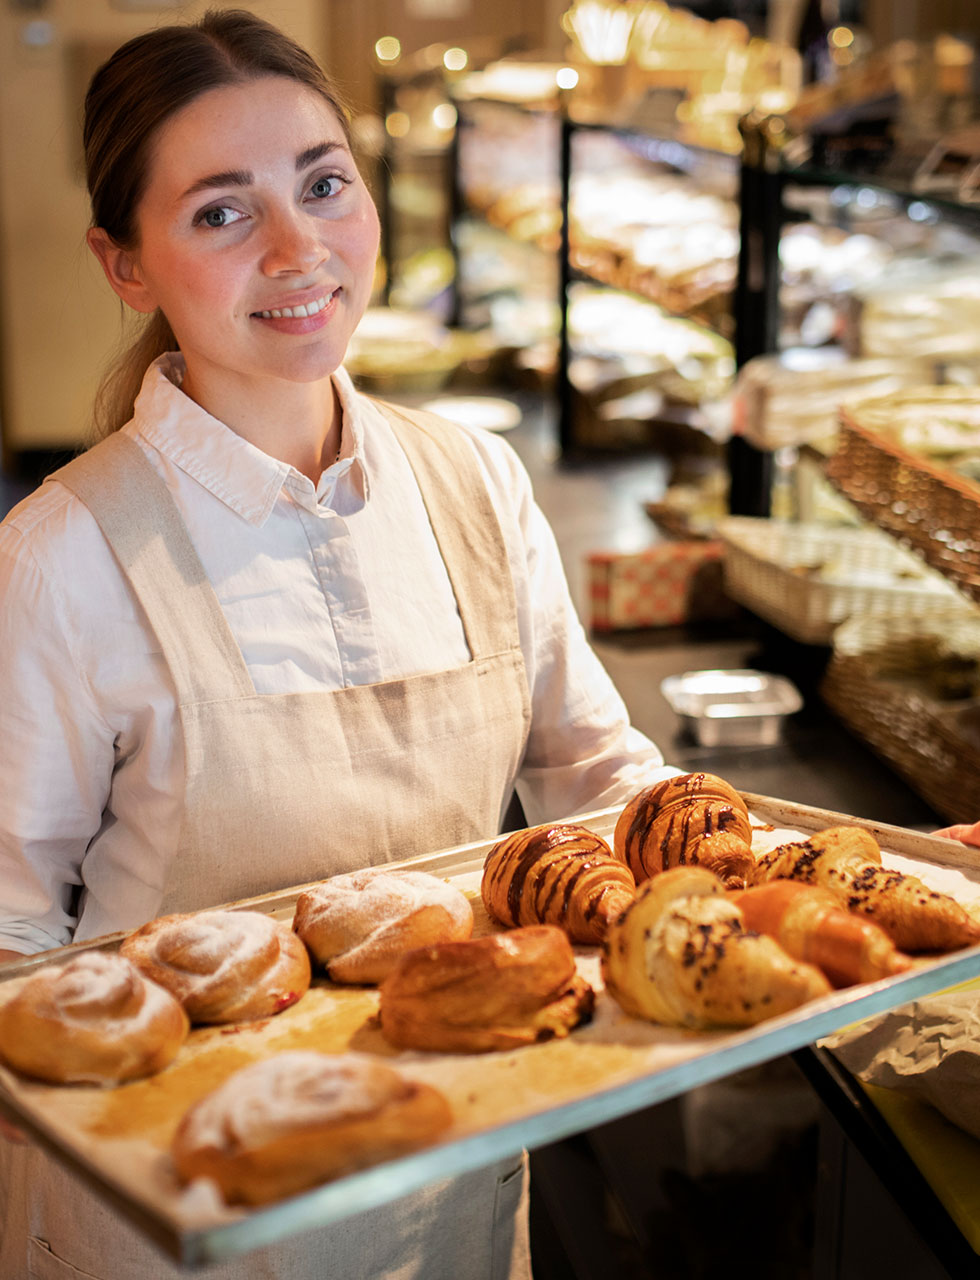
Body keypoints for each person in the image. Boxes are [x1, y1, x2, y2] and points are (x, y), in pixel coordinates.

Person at [0, 10, 680, 1279]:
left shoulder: (475, 480)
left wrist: (839, 870)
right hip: (175, 1214)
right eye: (220, 211)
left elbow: (603, 785)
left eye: (323, 184)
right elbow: (8, 942)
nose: (298, 246)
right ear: (124, 264)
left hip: (457, 1182)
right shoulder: (62, 555)